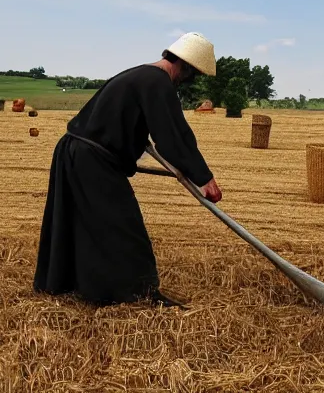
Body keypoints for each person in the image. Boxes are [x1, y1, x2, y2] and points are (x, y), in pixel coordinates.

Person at [33, 32, 222, 308]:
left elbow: (123, 118)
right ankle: (139, 293)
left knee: (82, 222)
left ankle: (70, 284)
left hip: (73, 151)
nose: (189, 78)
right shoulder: (159, 83)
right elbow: (173, 136)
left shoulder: (140, 74)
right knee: (124, 227)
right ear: (185, 65)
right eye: (192, 72)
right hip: (92, 159)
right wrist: (204, 178)